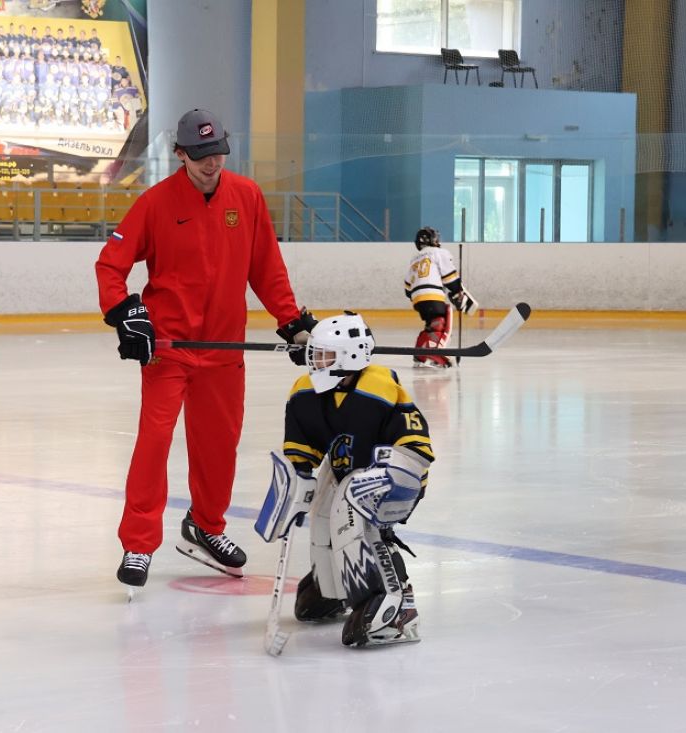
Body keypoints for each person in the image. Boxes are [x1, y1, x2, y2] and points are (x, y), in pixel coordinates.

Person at [95, 107, 317, 590]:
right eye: (201, 156)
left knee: (220, 446)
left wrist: (292, 324)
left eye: (218, 152)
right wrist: (125, 313)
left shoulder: (247, 196)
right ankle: (138, 542)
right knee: (153, 444)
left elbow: (266, 268)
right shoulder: (156, 203)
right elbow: (110, 265)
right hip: (168, 348)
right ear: (180, 154)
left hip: (223, 348)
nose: (212, 163)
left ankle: (205, 526)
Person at [256, 312, 434, 647]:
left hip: (395, 476)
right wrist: (296, 481)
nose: (314, 361)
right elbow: (302, 452)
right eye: (314, 353)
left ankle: (397, 605)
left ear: (350, 356)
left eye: (323, 354)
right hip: (347, 470)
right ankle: (334, 588)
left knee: (352, 503)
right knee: (324, 510)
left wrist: (389, 477)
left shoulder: (380, 387)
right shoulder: (306, 392)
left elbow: (416, 448)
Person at [402, 226, 477, 368]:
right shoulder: (440, 253)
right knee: (442, 319)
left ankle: (420, 353)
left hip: (417, 299)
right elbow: (450, 277)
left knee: (432, 323)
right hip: (433, 294)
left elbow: (407, 290)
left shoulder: (414, 259)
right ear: (433, 240)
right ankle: (434, 352)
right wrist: (458, 291)